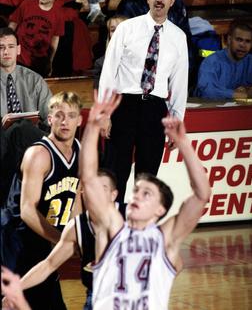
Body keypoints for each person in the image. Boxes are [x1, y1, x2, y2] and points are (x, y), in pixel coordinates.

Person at [79, 91, 211, 309]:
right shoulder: (111, 226)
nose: (135, 196)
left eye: (146, 194)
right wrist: (93, 127)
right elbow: (89, 179)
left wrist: (184, 144)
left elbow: (201, 195)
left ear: (160, 209)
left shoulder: (165, 238)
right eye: (136, 191)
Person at [99, 0, 189, 202]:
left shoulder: (179, 37)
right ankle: (112, 226)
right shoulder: (126, 28)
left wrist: (176, 121)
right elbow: (109, 71)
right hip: (124, 105)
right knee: (115, 173)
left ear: (172, 1)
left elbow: (179, 83)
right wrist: (104, 113)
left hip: (155, 109)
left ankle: (140, 230)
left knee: (147, 178)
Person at [1, 91, 83, 310]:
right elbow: (27, 210)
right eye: (59, 115)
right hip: (15, 238)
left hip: (42, 240)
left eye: (71, 115)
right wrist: (60, 240)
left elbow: (75, 198)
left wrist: (78, 236)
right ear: (49, 119)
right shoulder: (39, 154)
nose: (65, 121)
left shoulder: (80, 151)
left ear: (80, 119)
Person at [6, 170, 123, 310]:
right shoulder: (77, 227)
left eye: (102, 188)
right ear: (83, 194)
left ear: (113, 195)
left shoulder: (135, 218)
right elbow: (48, 265)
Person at [0, 27, 52, 205]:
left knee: (23, 129)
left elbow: (50, 116)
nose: (6, 51)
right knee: (16, 130)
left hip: (31, 141)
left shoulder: (34, 79)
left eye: (10, 46)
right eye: (1, 47)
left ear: (19, 49)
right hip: (2, 141)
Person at [193, 20, 252, 100]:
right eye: (239, 40)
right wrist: (243, 95)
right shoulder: (211, 62)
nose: (243, 45)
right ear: (229, 40)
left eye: (247, 41)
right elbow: (206, 91)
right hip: (215, 110)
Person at [8, 0, 66, 77]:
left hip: (39, 62)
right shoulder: (26, 5)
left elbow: (55, 38)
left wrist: (50, 61)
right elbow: (12, 26)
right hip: (19, 58)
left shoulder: (59, 15)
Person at [91, 14, 128, 89]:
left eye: (121, 29)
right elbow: (99, 93)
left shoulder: (144, 57)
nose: (117, 33)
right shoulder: (101, 62)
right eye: (113, 30)